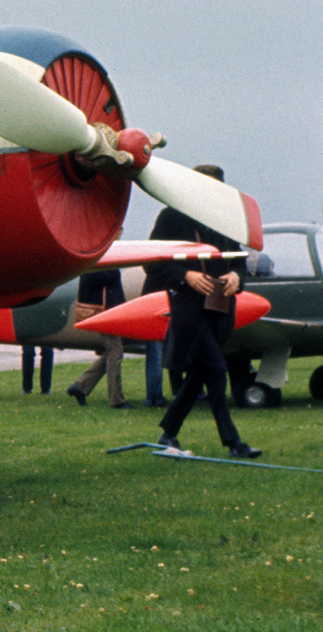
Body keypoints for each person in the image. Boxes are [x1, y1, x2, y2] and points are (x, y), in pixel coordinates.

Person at [147, 166, 258, 458]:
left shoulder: (225, 221)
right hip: (190, 313)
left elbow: (238, 260)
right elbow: (153, 261)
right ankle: (234, 443)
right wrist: (186, 276)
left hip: (220, 314)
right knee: (217, 372)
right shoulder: (171, 217)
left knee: (198, 376)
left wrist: (236, 276)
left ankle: (168, 433)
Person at [67, 268, 130, 408]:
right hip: (105, 311)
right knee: (115, 351)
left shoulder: (96, 256)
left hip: (106, 310)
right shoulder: (99, 259)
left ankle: (80, 387)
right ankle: (116, 400)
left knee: (111, 352)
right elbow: (94, 278)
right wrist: (114, 271)